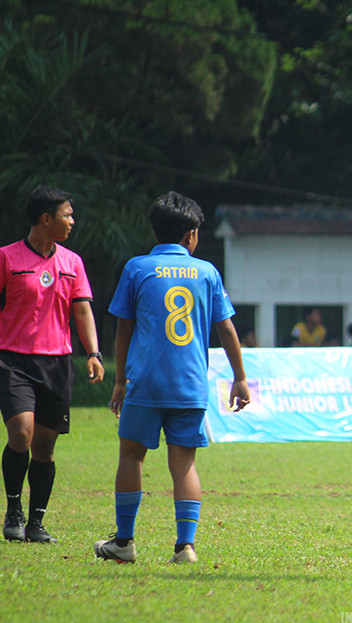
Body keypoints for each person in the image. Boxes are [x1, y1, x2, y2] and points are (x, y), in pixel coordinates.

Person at [94, 192, 251, 565]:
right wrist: (240, 378)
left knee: (131, 456)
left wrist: (119, 382)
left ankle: (125, 543)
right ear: (191, 236)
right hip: (189, 384)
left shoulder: (137, 268)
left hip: (144, 382)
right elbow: (226, 330)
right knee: (184, 465)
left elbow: (123, 330)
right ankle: (185, 547)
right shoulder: (207, 272)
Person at [0, 185, 105, 544]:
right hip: (14, 361)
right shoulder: (5, 258)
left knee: (46, 448)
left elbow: (82, 310)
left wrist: (93, 353)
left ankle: (36, 523)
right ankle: (13, 511)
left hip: (57, 364)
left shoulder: (73, 262)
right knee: (21, 433)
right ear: (45, 218)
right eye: (67, 214)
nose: (72, 221)